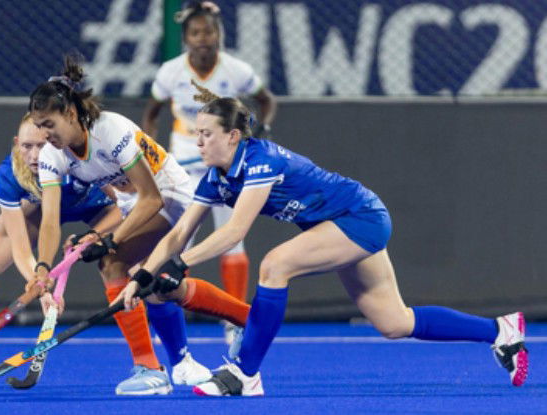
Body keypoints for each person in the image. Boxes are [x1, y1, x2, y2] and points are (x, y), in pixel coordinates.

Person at [115, 82, 529, 396]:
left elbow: (235, 231)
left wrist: (181, 265)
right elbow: (180, 233)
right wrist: (144, 275)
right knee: (394, 322)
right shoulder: (215, 178)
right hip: (337, 226)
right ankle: (499, 331)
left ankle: (245, 373)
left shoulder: (260, 160)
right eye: (197, 132)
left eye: (206, 133)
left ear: (233, 137)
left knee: (275, 265)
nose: (198, 141)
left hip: (359, 217)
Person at [28, 55, 254, 395]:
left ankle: (149, 368)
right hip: (133, 206)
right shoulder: (52, 154)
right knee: (159, 287)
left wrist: (110, 241)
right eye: (39, 126)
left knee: (113, 263)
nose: (45, 135)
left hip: (172, 195)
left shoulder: (109, 130)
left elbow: (151, 198)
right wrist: (43, 268)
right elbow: (49, 220)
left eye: (49, 124)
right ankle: (242, 325)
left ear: (71, 113)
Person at [0, 113, 121, 385]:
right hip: (41, 210)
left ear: (55, 141)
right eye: (26, 146)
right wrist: (41, 285)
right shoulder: (9, 175)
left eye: (41, 146)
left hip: (99, 209)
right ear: (16, 143)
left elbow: (127, 206)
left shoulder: (79, 160)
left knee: (128, 266)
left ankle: (167, 361)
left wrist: (94, 235)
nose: (34, 155)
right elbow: (20, 247)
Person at [142, 0, 277, 342]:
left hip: (227, 167)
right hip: (185, 165)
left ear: (219, 35)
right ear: (186, 38)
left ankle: (234, 321)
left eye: (209, 32)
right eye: (195, 33)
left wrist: (261, 130)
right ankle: (170, 317)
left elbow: (267, 101)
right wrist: (151, 153)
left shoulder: (236, 70)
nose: (203, 38)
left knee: (232, 238)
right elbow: (152, 114)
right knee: (178, 240)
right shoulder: (171, 72)